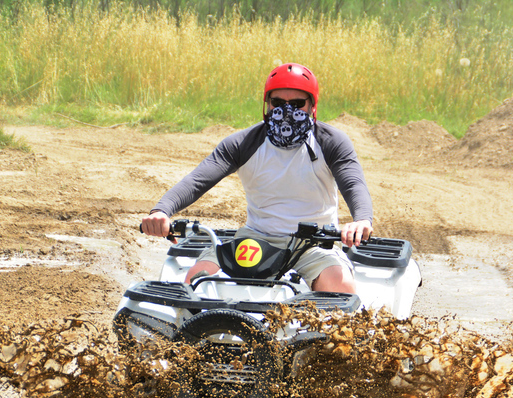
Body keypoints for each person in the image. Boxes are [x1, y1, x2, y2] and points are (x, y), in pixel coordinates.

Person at [141, 63, 373, 294]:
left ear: (312, 106)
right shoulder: (243, 143)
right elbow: (197, 180)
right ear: (267, 105)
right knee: (197, 280)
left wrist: (362, 219)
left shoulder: (332, 142)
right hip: (256, 238)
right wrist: (161, 210)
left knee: (340, 286)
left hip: (314, 243)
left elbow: (353, 183)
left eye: (297, 104)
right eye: (278, 103)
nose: (287, 111)